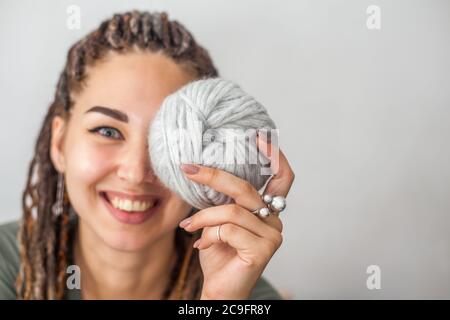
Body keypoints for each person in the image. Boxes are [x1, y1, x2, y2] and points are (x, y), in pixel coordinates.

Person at [0, 10, 295, 300]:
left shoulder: (246, 294)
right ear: (60, 143)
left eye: (166, 140)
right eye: (108, 131)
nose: (136, 172)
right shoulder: (6, 266)